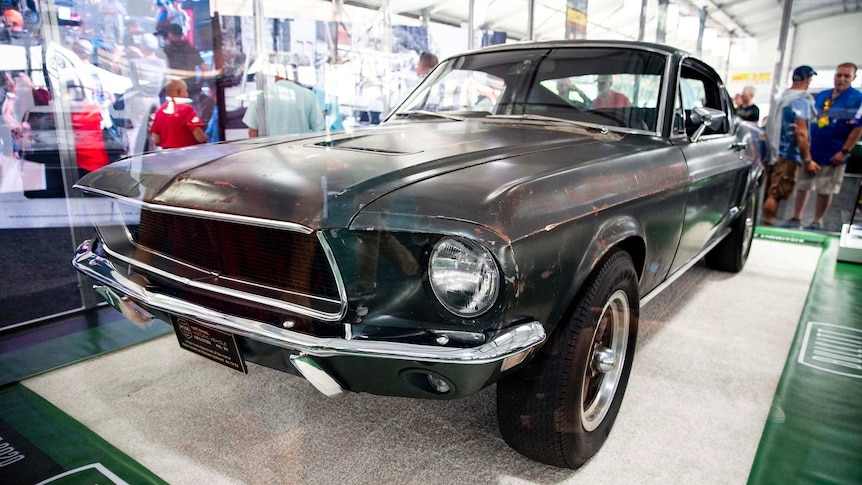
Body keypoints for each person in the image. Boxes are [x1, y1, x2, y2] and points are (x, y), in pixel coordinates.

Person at [781, 62, 862, 231]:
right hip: (811, 151)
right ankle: (796, 218)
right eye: (839, 75)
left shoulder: (857, 99)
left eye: (846, 76)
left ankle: (817, 221)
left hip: (835, 153)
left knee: (826, 189)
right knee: (803, 185)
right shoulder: (822, 95)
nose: (841, 79)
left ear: (853, 78)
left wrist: (844, 151)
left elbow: (857, 129)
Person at [761, 65, 817, 226]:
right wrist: (807, 160)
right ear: (807, 80)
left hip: (772, 152)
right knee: (776, 193)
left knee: (769, 191)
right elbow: (801, 133)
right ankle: (766, 226)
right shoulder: (800, 101)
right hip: (787, 155)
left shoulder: (781, 98)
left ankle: (764, 223)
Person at [242, 53, 324, 137]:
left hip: (270, 149)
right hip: (300, 149)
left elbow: (252, 131)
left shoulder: (260, 97)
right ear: (294, 71)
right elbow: (319, 130)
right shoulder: (309, 96)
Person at [150, 79, 207, 149]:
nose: (187, 94)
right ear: (178, 91)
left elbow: (156, 141)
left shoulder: (159, 112)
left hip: (168, 157)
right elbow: (200, 138)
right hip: (189, 156)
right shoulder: (187, 110)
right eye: (185, 91)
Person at [163, 23, 207, 101]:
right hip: (190, 91)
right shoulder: (191, 50)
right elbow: (205, 70)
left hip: (173, 91)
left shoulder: (167, 50)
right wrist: (199, 85)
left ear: (170, 34)